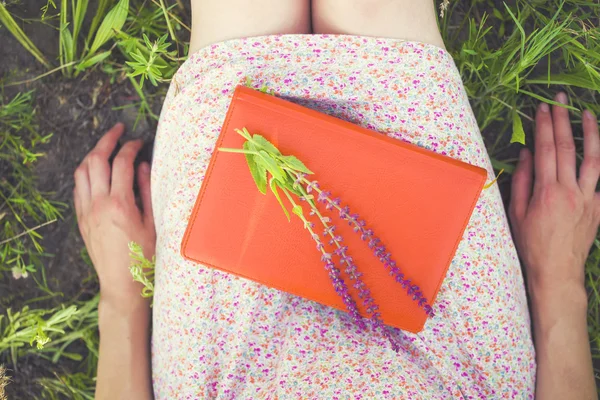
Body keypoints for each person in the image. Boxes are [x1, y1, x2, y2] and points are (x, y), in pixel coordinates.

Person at [72, 1, 599, 399]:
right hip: (447, 334)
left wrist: (122, 299)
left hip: (231, 346)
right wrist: (558, 283)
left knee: (241, 18)